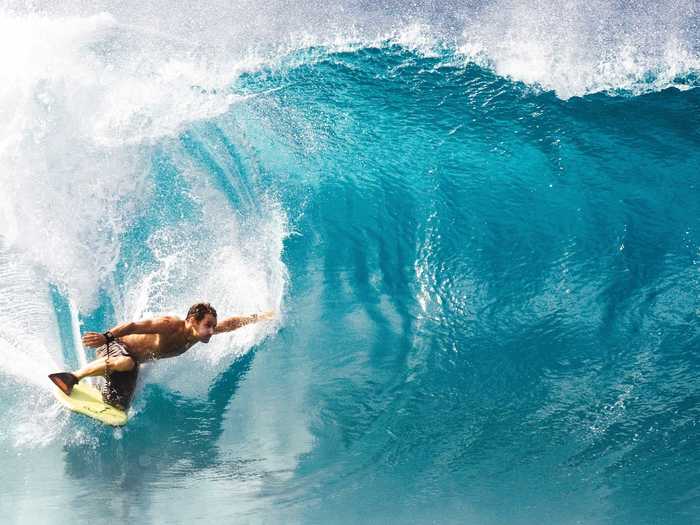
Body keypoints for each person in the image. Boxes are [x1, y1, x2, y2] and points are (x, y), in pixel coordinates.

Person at [48, 302, 275, 410]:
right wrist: (107, 337)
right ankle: (71, 378)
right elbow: (134, 325)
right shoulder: (171, 325)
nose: (212, 331)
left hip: (130, 363)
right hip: (117, 347)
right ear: (192, 321)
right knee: (127, 362)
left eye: (213, 326)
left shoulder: (197, 335)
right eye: (208, 325)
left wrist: (260, 317)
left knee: (117, 406)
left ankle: (102, 385)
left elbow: (231, 323)